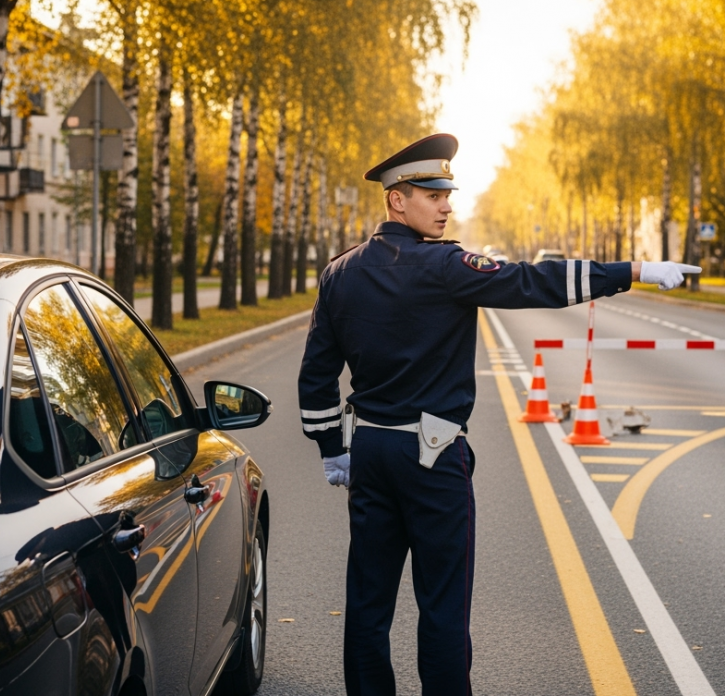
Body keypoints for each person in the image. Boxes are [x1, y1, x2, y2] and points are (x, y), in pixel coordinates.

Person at [297, 133, 699, 696]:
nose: (446, 205)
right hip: (433, 456)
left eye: (446, 195)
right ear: (397, 199)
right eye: (432, 195)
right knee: (442, 605)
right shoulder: (445, 265)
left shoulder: (340, 273)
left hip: (370, 452)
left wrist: (331, 450)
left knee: (367, 602)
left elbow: (317, 375)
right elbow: (532, 282)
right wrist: (631, 270)